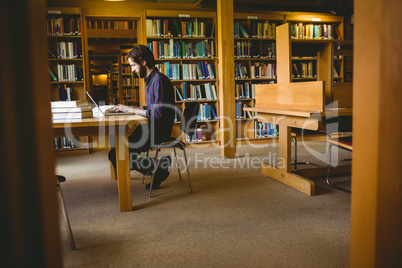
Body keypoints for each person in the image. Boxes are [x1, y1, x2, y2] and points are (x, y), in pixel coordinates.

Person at [108, 44, 175, 190]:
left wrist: (130, 109)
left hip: (158, 130)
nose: (132, 69)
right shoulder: (149, 80)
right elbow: (152, 107)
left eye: (133, 65)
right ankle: (155, 168)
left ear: (143, 62)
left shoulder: (159, 81)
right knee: (116, 153)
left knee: (116, 154)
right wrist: (134, 110)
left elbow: (157, 114)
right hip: (150, 127)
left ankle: (154, 166)